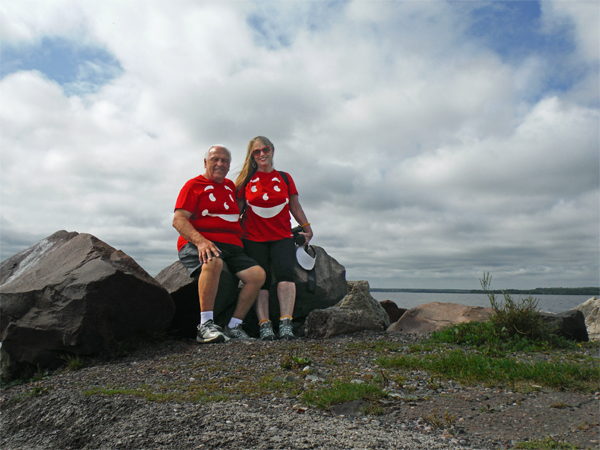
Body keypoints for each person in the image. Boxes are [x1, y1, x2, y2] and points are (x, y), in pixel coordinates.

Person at [173, 145, 266, 344]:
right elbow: (179, 220)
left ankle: (233, 326)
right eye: (215, 159)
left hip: (232, 246)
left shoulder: (230, 187)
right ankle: (205, 325)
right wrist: (201, 242)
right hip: (202, 241)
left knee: (257, 275)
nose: (220, 164)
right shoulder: (193, 185)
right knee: (213, 262)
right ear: (206, 162)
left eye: (224, 161)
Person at [234, 136, 313, 341]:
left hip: (282, 237)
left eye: (265, 149)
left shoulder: (284, 178)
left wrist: (307, 228)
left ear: (272, 151)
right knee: (262, 281)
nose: (262, 154)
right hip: (253, 238)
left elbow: (294, 206)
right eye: (256, 152)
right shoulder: (246, 181)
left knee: (286, 275)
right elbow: (237, 211)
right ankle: (264, 325)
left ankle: (286, 323)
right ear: (252, 156)